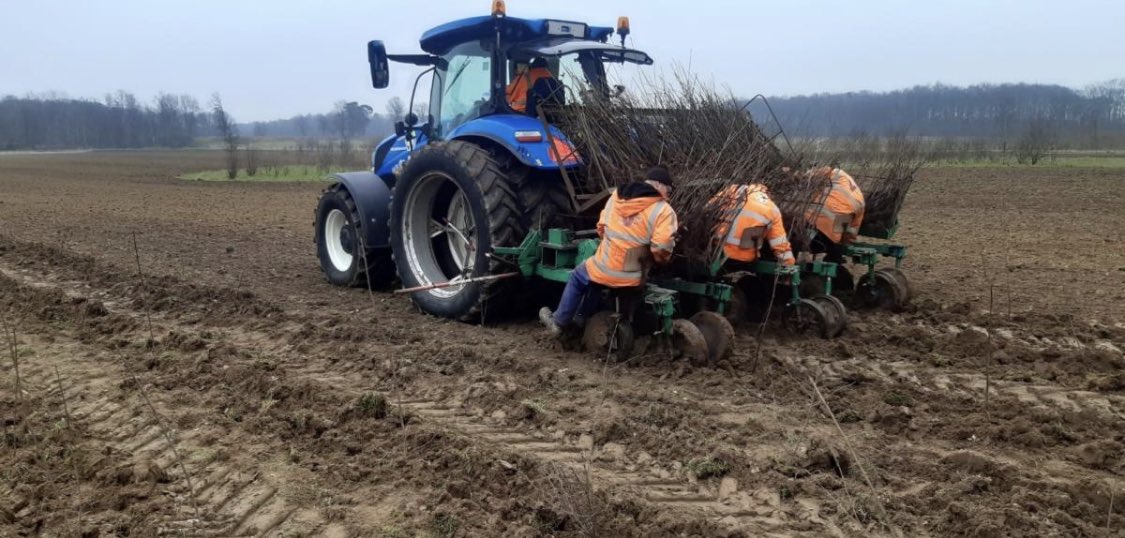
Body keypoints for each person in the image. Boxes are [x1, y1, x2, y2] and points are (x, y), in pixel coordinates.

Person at [540, 167, 678, 335]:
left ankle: (560, 322)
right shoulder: (663, 210)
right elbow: (662, 247)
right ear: (658, 184)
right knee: (595, 280)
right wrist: (660, 261)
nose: (668, 195)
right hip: (634, 276)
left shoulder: (616, 197)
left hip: (605, 268)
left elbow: (601, 228)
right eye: (668, 190)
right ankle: (580, 319)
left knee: (580, 276)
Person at [711, 183, 795, 266]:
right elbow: (779, 242)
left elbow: (707, 210)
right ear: (767, 192)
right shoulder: (773, 209)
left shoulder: (733, 190)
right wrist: (789, 263)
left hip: (718, 253)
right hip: (744, 259)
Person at [804, 166, 865, 263]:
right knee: (837, 237)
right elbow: (851, 231)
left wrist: (802, 175)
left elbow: (812, 175)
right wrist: (844, 244)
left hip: (814, 222)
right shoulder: (860, 201)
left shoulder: (836, 173)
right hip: (830, 237)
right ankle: (834, 258)